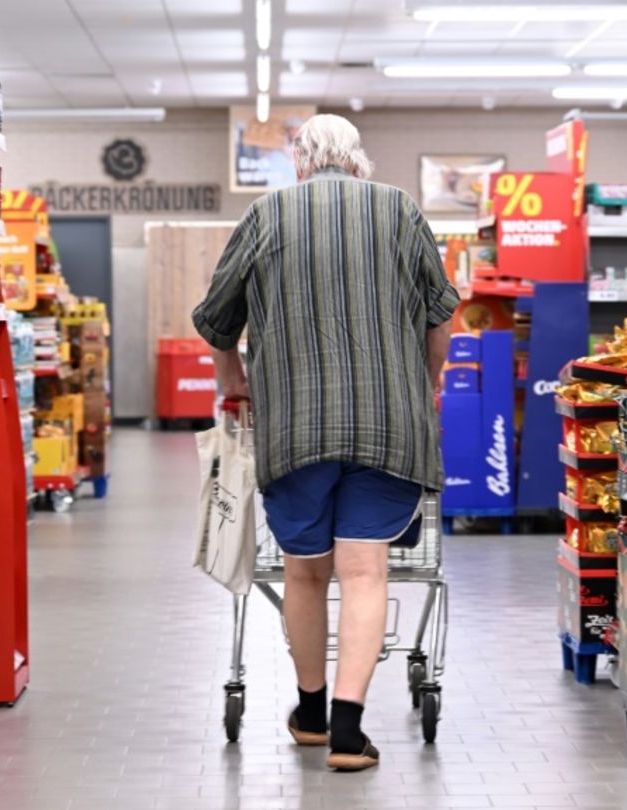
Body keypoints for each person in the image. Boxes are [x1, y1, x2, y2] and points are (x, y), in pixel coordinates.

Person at [192, 114, 458, 771]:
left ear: (300, 161)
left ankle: (310, 713)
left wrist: (236, 387)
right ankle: (347, 730)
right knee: (366, 572)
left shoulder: (267, 214)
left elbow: (216, 318)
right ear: (358, 159)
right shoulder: (399, 209)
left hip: (294, 427)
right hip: (388, 425)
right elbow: (439, 316)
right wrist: (423, 392)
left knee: (305, 573)